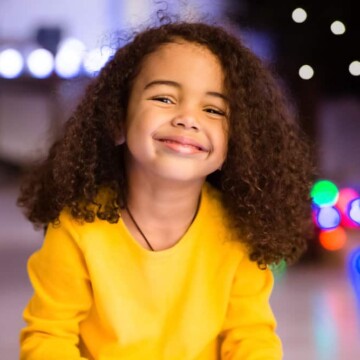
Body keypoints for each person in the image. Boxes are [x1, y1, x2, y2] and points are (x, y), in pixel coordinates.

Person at [18, 19, 314, 360]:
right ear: (118, 118)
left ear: (236, 143)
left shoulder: (239, 230)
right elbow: (49, 336)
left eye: (213, 109)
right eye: (164, 98)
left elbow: (251, 337)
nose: (188, 118)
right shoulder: (76, 228)